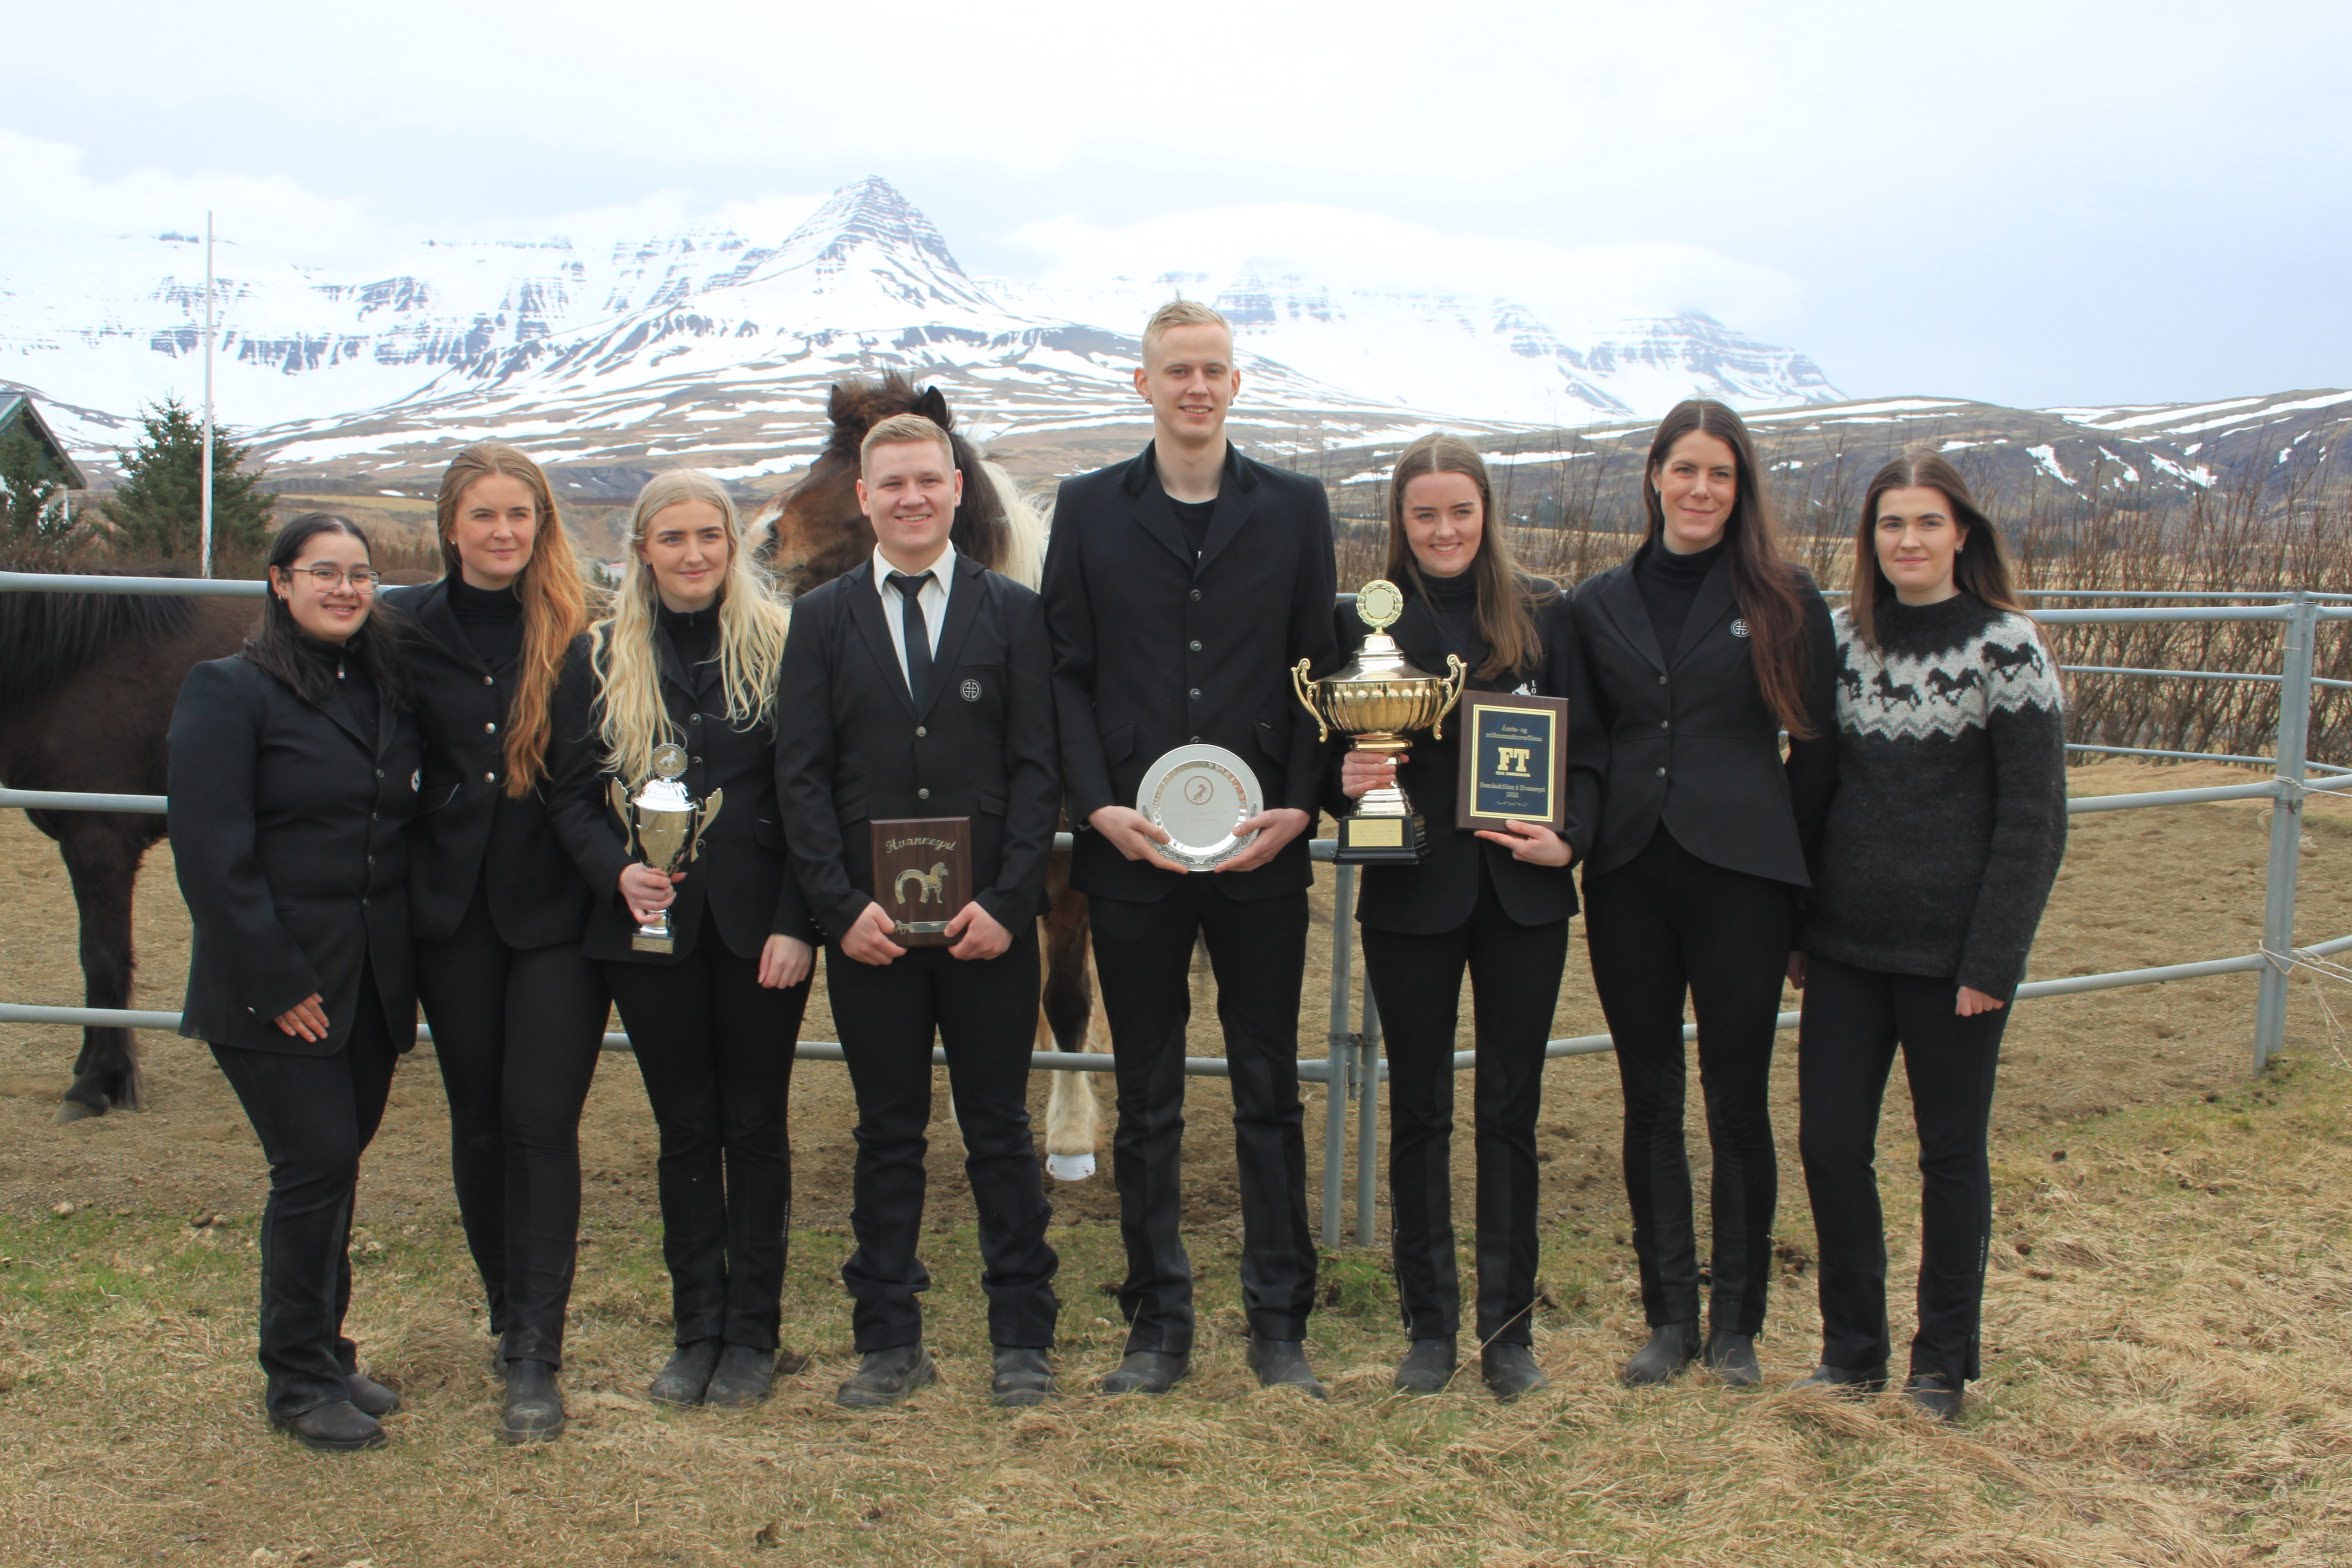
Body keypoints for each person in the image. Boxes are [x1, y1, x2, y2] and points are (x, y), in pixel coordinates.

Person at [1040, 299, 1339, 1397]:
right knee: (1149, 1090)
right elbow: (1065, 668)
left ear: (1236, 383)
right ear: (1143, 383)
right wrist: (1094, 804)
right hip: (1132, 850)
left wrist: (1302, 804)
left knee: (1268, 1087)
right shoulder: (1087, 509)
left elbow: (1320, 663)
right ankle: (1156, 1322)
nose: (1196, 386)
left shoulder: (1298, 509)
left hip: (1262, 850)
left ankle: (1278, 1323)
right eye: (1178, 370)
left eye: (1214, 368)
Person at [775, 412, 1062, 1409]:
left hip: (987, 926)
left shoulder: (1013, 613)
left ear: (954, 489)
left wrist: (1010, 898)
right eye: (889, 482)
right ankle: (887, 1337)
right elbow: (800, 775)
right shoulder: (820, 622)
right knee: (887, 1131)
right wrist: (836, 905)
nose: (909, 497)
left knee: (999, 1129)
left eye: (926, 481)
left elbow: (1038, 772)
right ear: (864, 497)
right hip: (873, 935)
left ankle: (1022, 1333)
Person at [1790, 453, 2066, 1421]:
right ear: (1871, 539)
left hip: (1955, 961)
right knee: (1830, 1144)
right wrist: (1798, 930)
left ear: (1962, 534)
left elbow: (2032, 819)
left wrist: (1993, 958)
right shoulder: (1841, 642)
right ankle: (1850, 1349)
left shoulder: (2007, 647)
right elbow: (1814, 792)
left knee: (1950, 1156)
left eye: (1926, 522)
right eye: (1890, 524)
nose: (1907, 540)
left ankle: (1940, 1361)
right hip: (1845, 949)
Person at [1570, 398, 1837, 1388]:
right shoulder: (1600, 601)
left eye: (1719, 474)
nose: (1700, 489)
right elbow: (1587, 748)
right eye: (1685, 469)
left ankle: (1737, 1325)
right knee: (1650, 1099)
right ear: (1654, 476)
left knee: (1736, 1102)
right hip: (1632, 876)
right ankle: (1668, 1317)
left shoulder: (1784, 597)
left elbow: (1814, 756)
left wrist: (1802, 889)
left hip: (1744, 882)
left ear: (1740, 487)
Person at [1331, 434, 1602, 1399]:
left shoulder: (1544, 616)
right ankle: (1429, 1326)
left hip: (1523, 898)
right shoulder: (1361, 622)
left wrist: (1569, 837)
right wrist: (1346, 777)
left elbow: (1593, 753)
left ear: (1485, 514)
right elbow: (1332, 761)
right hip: (1412, 894)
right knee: (1418, 1114)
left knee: (1511, 1114)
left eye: (1460, 511)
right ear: (1398, 522)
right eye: (1423, 514)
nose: (1443, 530)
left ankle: (1510, 1329)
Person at [547, 470, 814, 1409]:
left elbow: (807, 797)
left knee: (756, 1126)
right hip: (645, 933)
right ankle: (695, 1326)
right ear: (642, 551)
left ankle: (754, 1335)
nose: (694, 554)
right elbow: (572, 795)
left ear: (732, 546)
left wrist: (796, 922)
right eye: (673, 538)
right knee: (685, 1129)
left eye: (711, 535)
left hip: (758, 936)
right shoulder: (595, 658)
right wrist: (614, 872)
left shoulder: (783, 648)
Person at [166, 513, 421, 1451]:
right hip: (273, 983)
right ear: (279, 582)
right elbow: (209, 853)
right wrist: (274, 978)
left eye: (359, 574)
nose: (345, 589)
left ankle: (327, 1348)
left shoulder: (381, 687)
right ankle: (296, 1380)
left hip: (370, 982)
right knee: (311, 1167)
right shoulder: (228, 692)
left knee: (333, 1170)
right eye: (324, 572)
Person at [383, 442, 603, 1443]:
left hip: (556, 912)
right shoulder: (400, 628)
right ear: (452, 525)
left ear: (541, 520)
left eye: (521, 512)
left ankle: (535, 1354)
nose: (504, 531)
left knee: (538, 1118)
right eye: (485, 514)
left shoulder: (580, 629)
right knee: (477, 1117)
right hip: (452, 914)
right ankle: (504, 1306)